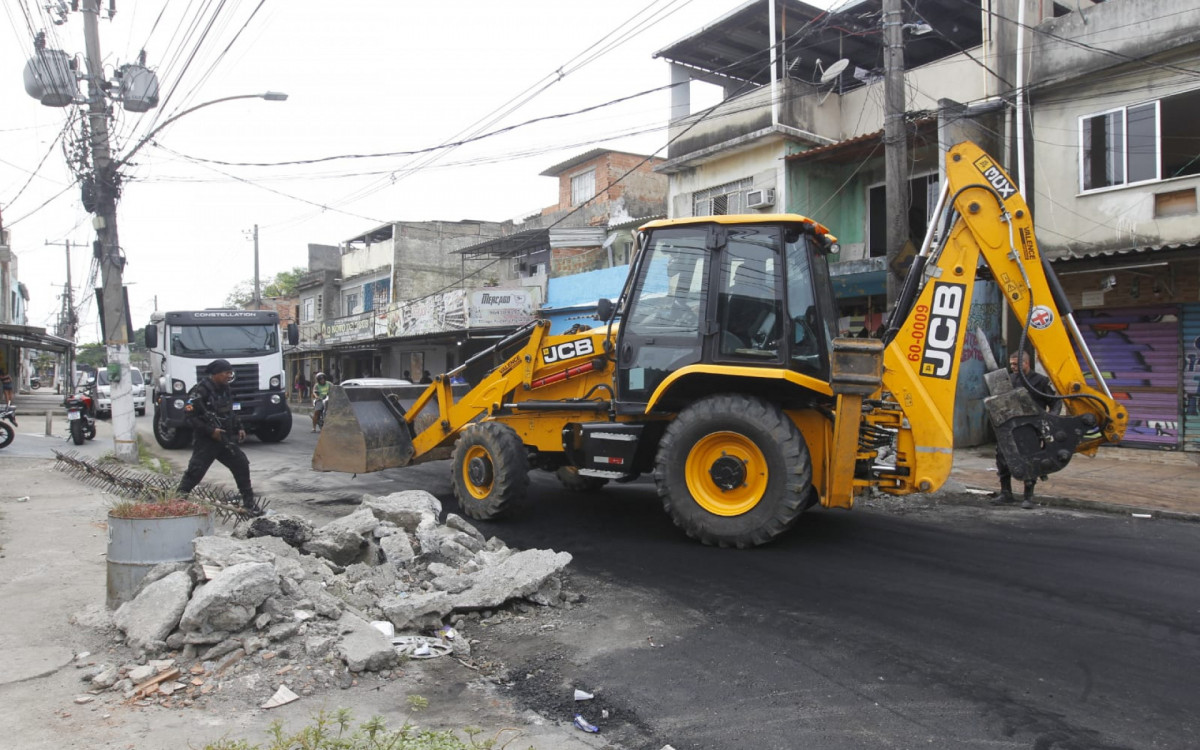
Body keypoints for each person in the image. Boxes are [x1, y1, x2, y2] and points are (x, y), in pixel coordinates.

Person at [177, 359, 260, 515]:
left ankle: (249, 503)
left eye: (230, 373)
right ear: (216, 374)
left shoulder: (225, 389)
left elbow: (230, 411)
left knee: (241, 463)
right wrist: (210, 431)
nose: (229, 376)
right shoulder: (199, 391)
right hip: (206, 441)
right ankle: (177, 501)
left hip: (224, 438)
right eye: (226, 373)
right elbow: (189, 417)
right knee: (195, 472)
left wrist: (239, 427)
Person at [992, 351, 1060, 510]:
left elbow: (1056, 403)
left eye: (1016, 364)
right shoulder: (1009, 380)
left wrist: (1050, 419)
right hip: (1010, 427)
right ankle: (1006, 493)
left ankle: (1028, 497)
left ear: (1026, 363)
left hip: (1031, 428)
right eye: (1011, 364)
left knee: (1030, 460)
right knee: (1002, 458)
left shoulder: (1041, 381)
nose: (1013, 367)